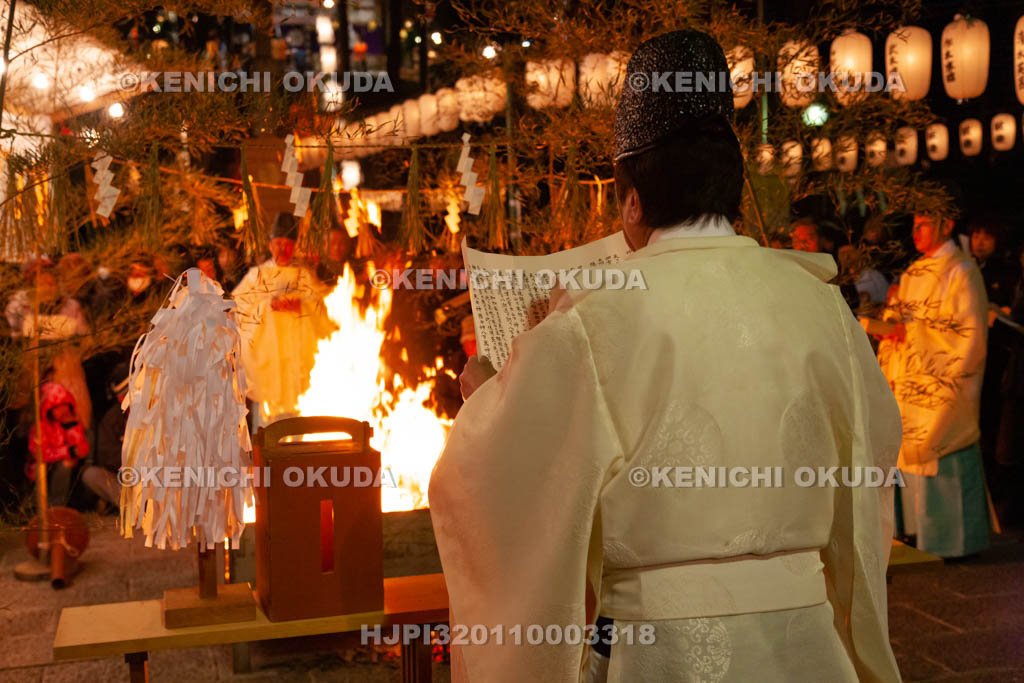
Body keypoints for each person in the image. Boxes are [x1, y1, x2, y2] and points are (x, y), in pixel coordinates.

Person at [429, 30, 902, 683]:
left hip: (664, 654)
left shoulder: (595, 320)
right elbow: (869, 461)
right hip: (803, 643)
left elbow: (504, 481)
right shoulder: (822, 305)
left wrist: (484, 391)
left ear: (631, 197)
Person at [878, 214, 990, 558]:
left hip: (943, 380)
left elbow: (968, 335)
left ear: (947, 224)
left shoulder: (962, 271)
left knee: (942, 443)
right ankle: (915, 532)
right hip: (912, 375)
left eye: (924, 224)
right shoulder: (913, 273)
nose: (916, 232)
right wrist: (891, 327)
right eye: (914, 225)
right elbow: (899, 320)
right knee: (909, 449)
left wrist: (912, 333)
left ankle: (957, 541)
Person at [232, 213, 333, 423]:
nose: (283, 249)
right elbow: (237, 309)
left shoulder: (303, 276)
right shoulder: (256, 276)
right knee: (270, 423)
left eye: (288, 244)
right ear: (270, 245)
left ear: (294, 246)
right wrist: (268, 305)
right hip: (268, 357)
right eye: (278, 243)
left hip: (298, 356)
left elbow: (325, 309)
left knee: (301, 417)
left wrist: (302, 306)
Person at [27, 381, 90, 507]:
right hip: (44, 470)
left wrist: (71, 427)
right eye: (57, 407)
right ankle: (45, 507)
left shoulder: (72, 422)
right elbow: (40, 454)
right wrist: (68, 451)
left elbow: (82, 450)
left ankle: (58, 506)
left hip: (65, 473)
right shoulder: (40, 427)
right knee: (42, 469)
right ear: (48, 408)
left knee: (68, 465)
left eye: (64, 405)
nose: (62, 410)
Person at [82, 362, 130, 508]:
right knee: (91, 475)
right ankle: (129, 506)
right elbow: (106, 454)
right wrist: (128, 457)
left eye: (125, 395)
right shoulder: (112, 418)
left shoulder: (155, 413)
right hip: (126, 475)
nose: (121, 401)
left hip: (151, 477)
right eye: (119, 396)